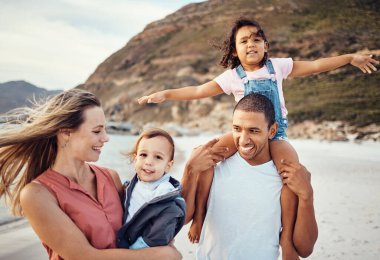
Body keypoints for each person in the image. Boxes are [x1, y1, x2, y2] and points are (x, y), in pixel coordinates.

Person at [137, 18, 378, 256]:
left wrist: (349, 58)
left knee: (292, 175)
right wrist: (166, 94)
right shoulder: (233, 76)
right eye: (243, 41)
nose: (251, 44)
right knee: (208, 156)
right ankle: (199, 217)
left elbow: (315, 66)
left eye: (256, 39)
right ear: (235, 50)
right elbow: (199, 91)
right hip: (242, 132)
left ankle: (287, 239)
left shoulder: (278, 67)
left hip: (276, 134)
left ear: (266, 46)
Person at [0, 89, 181, 260]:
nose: (106, 138)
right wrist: (160, 255)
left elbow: (151, 214)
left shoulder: (111, 177)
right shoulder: (37, 194)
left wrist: (192, 172)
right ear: (65, 132)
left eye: (105, 129)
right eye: (96, 131)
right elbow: (83, 256)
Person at [181, 93, 318, 259]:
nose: (244, 140)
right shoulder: (214, 168)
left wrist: (307, 196)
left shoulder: (285, 178)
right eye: (237, 129)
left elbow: (305, 249)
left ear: (272, 131)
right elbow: (181, 219)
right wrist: (189, 170)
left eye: (253, 131)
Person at [116, 128, 186, 249]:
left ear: (168, 165)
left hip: (144, 250)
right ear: (135, 158)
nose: (149, 162)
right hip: (124, 242)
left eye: (158, 157)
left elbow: (159, 234)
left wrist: (133, 251)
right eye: (143, 155)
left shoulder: (166, 197)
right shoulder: (129, 186)